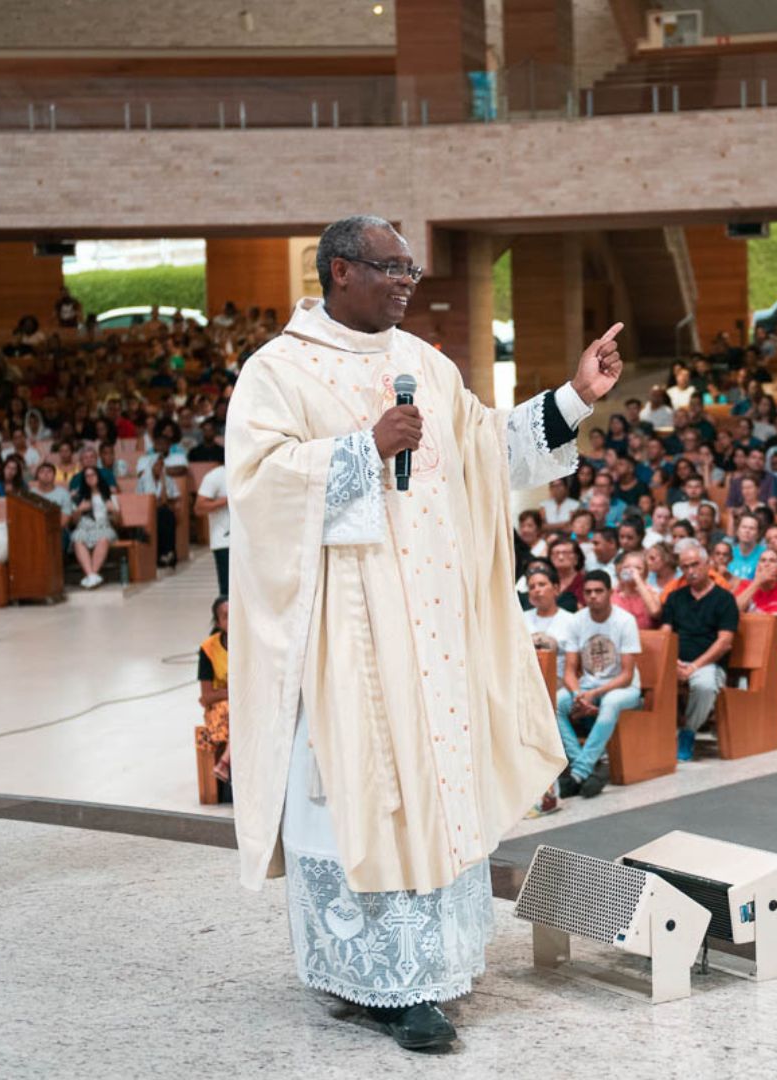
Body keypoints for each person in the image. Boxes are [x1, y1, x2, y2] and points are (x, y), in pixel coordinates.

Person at [223, 215, 621, 1051]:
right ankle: (381, 983)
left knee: (435, 790)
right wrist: (360, 452)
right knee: (363, 792)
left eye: (412, 270)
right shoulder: (277, 372)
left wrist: (574, 397)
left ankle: (433, 964)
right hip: (349, 637)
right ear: (338, 271)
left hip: (434, 634)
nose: (407, 283)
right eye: (390, 268)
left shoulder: (425, 365)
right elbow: (255, 490)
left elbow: (489, 451)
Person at [552, 570, 642, 799]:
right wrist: (578, 694)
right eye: (588, 592)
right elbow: (571, 670)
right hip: (587, 687)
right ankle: (583, 765)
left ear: (610, 593)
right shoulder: (577, 621)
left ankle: (578, 772)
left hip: (622, 689)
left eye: (599, 591)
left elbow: (627, 675)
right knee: (555, 704)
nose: (593, 596)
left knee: (610, 703)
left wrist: (594, 693)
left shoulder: (625, 621)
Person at [658, 538, 739, 763]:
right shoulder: (675, 598)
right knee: (645, 680)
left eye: (695, 565)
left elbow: (724, 642)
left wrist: (694, 666)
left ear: (707, 564)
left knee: (704, 684)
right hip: (676, 661)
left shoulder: (724, 599)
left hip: (708, 663)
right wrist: (673, 662)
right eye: (685, 567)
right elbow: (665, 634)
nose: (691, 571)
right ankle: (654, 734)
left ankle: (688, 732)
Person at [197, 596, 232, 803]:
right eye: (226, 617)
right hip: (221, 709)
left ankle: (226, 760)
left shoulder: (251, 642)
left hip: (246, 706)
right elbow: (206, 697)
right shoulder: (208, 649)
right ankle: (226, 762)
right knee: (231, 709)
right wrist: (234, 693)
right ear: (218, 623)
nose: (231, 621)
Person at [69, 467, 119, 589]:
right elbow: (73, 522)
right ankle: (91, 575)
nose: (90, 478)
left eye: (93, 475)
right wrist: (80, 510)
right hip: (84, 526)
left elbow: (118, 521)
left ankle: (92, 575)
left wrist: (114, 510)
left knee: (104, 538)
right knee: (77, 538)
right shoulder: (79, 496)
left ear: (98, 477)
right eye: (87, 476)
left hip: (103, 525)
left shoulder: (108, 495)